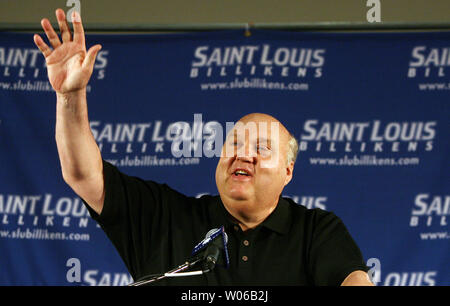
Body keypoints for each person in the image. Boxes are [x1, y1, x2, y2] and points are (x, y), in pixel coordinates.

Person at [34, 9, 374, 286]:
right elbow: (83, 175)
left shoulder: (316, 231)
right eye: (235, 142)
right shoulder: (165, 221)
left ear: (288, 171)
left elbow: (355, 280)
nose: (243, 153)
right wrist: (69, 96)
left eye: (262, 147)